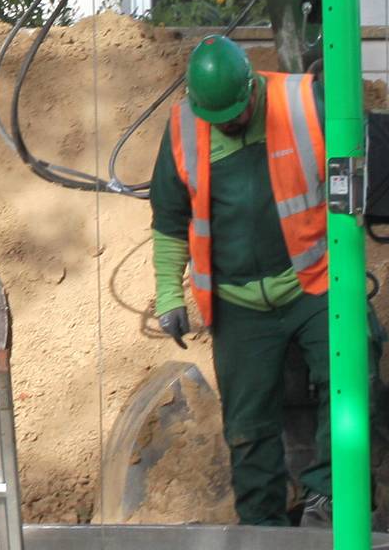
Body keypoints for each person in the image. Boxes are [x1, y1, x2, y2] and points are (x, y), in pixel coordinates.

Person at [150, 35, 336, 527]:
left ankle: (328, 497)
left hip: (312, 284)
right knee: (248, 430)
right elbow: (169, 221)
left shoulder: (302, 103)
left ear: (252, 86)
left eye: (234, 114)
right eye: (216, 118)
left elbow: (361, 166)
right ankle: (263, 531)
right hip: (237, 306)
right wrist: (169, 294)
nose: (227, 124)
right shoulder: (183, 129)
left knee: (351, 376)